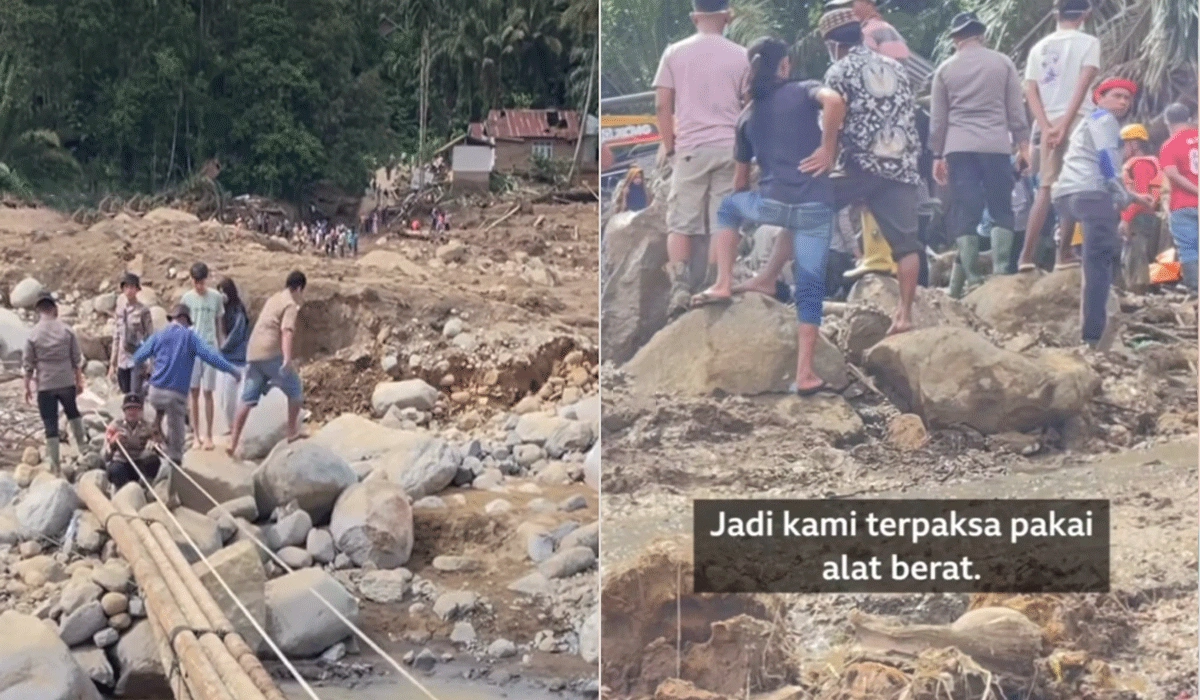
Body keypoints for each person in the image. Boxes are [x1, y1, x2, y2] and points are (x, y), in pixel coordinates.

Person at [689, 38, 845, 394]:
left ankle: (728, 281)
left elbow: (739, 183)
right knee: (809, 287)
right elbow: (835, 101)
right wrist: (828, 149)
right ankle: (805, 374)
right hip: (814, 205)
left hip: (773, 204)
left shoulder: (747, 116)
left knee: (729, 208)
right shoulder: (803, 90)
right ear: (784, 65)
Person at [653, 0, 750, 318]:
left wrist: (670, 147)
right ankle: (715, 282)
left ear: (694, 17)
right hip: (730, 149)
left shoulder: (674, 53)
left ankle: (680, 288)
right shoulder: (742, 55)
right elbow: (750, 108)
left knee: (681, 222)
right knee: (723, 220)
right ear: (728, 17)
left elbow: (662, 106)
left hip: (690, 150)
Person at [930, 12, 1030, 295]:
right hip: (995, 145)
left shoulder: (945, 70)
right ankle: (1000, 271)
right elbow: (1015, 109)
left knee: (966, 211)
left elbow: (938, 120)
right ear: (982, 35)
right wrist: (1023, 144)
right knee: (1001, 207)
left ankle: (972, 278)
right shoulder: (1003, 63)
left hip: (958, 148)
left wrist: (936, 155)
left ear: (955, 39)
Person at [1052, 77, 1145, 347]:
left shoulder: (1086, 122)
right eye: (1117, 96)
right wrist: (1122, 195)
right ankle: (1092, 336)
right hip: (1092, 194)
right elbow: (1106, 159)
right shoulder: (1105, 119)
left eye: (1127, 98)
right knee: (1099, 263)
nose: (1123, 102)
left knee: (1093, 256)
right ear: (1099, 98)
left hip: (1067, 194)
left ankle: (1063, 258)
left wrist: (1132, 195)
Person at [1016, 0, 1101, 272]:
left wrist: (1047, 126)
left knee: (1045, 187)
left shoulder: (1038, 48)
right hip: (1078, 119)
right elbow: (1083, 84)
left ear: (1056, 14)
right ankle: (1063, 254)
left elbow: (1030, 90)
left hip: (1048, 120)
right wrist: (1066, 124)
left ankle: (1025, 257)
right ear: (1085, 14)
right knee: (1073, 184)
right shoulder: (1089, 43)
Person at [131, 305, 240, 464]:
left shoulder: (159, 335)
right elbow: (211, 356)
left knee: (160, 407)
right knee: (177, 434)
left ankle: (156, 427)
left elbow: (137, 357)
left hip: (155, 392)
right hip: (175, 394)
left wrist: (147, 371)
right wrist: (233, 370)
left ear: (172, 319)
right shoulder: (190, 337)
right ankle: (174, 460)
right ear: (185, 320)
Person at [227, 271, 307, 457]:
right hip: (271, 353)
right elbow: (286, 331)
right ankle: (292, 432)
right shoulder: (290, 304)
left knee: (247, 399)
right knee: (295, 389)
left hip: (253, 353)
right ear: (299, 289)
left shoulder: (274, 298)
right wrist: (287, 358)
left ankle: (233, 442)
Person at [23, 293, 88, 473]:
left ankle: (55, 465)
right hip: (66, 382)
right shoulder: (67, 330)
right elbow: (76, 360)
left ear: (38, 311)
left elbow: (28, 363)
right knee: (73, 412)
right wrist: (79, 381)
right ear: (55, 309)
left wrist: (27, 386)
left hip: (46, 384)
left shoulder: (33, 334)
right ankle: (83, 448)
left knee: (50, 422)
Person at [181, 262, 225, 450]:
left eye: (202, 282)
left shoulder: (216, 297)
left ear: (206, 280)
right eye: (196, 282)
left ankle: (208, 435)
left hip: (209, 347)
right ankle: (196, 435)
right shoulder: (186, 299)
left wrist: (221, 347)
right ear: (191, 280)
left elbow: (219, 323)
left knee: (208, 392)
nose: (199, 286)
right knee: (193, 392)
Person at [1118, 123, 1163, 292]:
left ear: (1134, 143)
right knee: (1148, 255)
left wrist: (1126, 220)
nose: (1121, 149)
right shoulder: (1148, 162)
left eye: (1123, 144)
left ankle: (1139, 291)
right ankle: (1151, 290)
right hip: (1146, 215)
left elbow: (1142, 196)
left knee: (1136, 257)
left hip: (1140, 217)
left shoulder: (1140, 164)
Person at [1159, 103, 1198, 291]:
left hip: (1183, 205)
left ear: (1167, 122)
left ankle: (1195, 288)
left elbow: (1172, 174)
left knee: (1189, 248)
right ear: (1188, 119)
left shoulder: (1169, 145)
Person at [103, 393, 161, 490]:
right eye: (129, 408)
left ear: (141, 410)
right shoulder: (115, 426)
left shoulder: (148, 426)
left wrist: (154, 443)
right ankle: (123, 490)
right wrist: (113, 443)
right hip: (121, 462)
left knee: (153, 461)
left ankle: (146, 487)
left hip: (139, 462)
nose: (132, 412)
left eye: (136, 408)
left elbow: (159, 445)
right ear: (124, 411)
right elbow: (106, 457)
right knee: (115, 470)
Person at [108, 273, 153, 396]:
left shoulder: (143, 310)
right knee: (125, 393)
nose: (129, 290)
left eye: (132, 287)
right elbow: (117, 336)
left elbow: (150, 336)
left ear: (137, 289)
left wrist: (151, 362)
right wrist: (112, 363)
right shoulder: (120, 310)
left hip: (137, 358)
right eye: (126, 287)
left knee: (135, 394)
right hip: (122, 359)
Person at [216, 278, 250, 435]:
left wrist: (223, 347)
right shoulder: (221, 311)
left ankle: (236, 427)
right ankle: (231, 426)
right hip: (225, 360)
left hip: (238, 359)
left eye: (224, 291)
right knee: (225, 399)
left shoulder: (238, 311)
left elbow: (237, 333)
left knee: (235, 397)